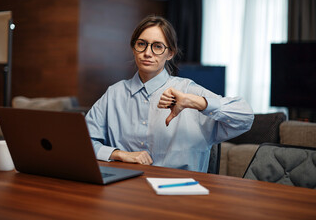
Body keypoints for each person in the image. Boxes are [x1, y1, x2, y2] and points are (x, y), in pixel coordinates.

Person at [85, 15, 254, 172]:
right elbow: (82, 143)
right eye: (142, 44)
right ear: (134, 48)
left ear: (170, 53)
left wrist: (195, 102)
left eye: (157, 46)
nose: (147, 53)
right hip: (126, 190)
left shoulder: (189, 90)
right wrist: (119, 154)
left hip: (181, 191)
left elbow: (245, 117)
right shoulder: (114, 94)